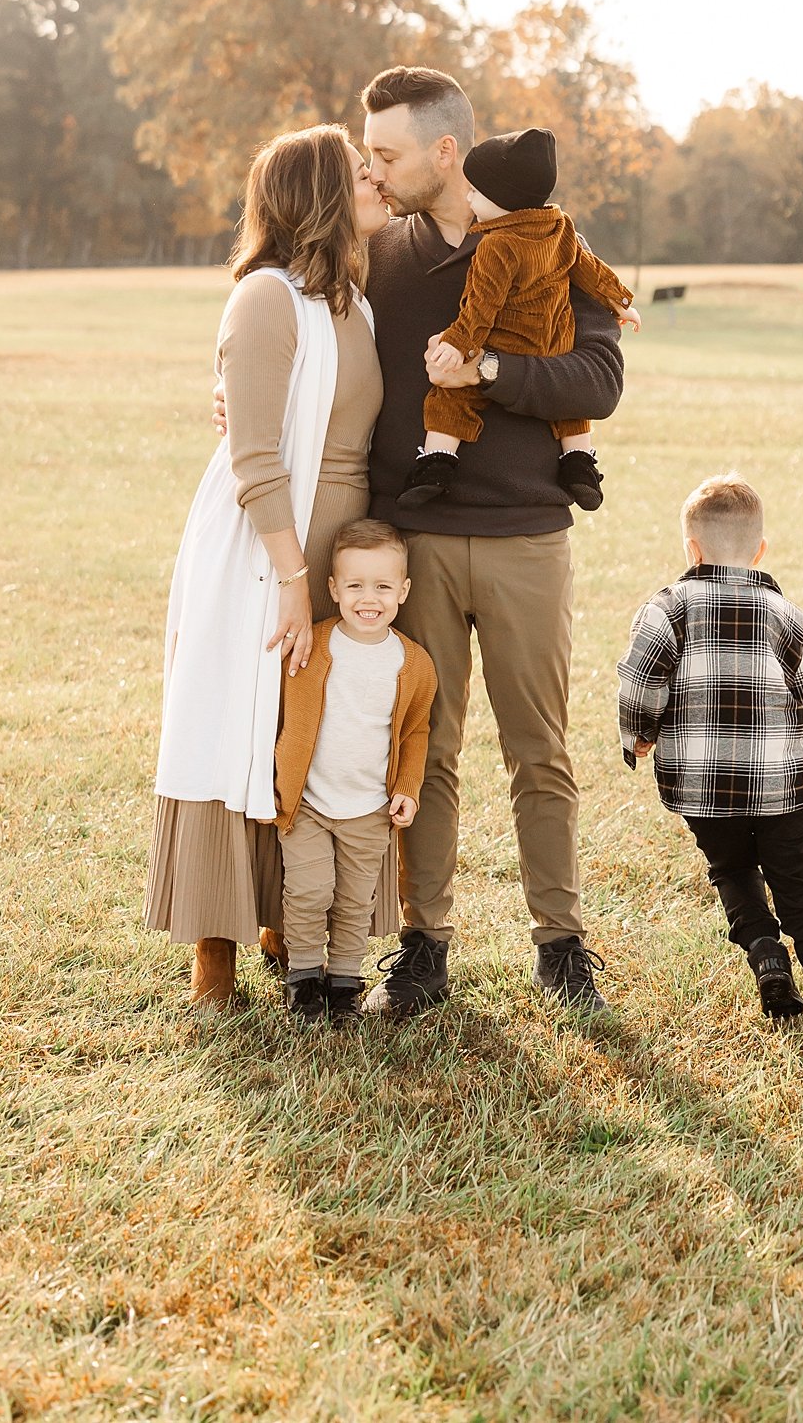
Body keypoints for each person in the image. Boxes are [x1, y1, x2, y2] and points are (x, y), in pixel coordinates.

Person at [360, 66, 624, 1015]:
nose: (376, 170)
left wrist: (493, 365)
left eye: (389, 152)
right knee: (421, 751)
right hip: (414, 544)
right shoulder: (378, 254)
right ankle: (423, 947)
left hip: (525, 538)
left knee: (539, 752)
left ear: (446, 150)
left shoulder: (548, 238)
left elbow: (598, 381)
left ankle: (561, 948)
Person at [145, 123, 391, 1009]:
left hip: (341, 546)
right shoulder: (264, 299)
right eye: (362, 172)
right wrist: (292, 576)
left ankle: (298, 925)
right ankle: (216, 949)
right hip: (263, 547)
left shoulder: (353, 303)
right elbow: (254, 456)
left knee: (314, 735)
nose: (378, 181)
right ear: (323, 194)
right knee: (235, 728)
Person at [616, 472, 803, 1036]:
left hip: (703, 787)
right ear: (759, 551)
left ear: (691, 548)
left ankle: (764, 952)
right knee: (801, 890)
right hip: (785, 788)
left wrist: (639, 737)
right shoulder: (788, 616)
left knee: (730, 867)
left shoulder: (666, 611)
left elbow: (639, 684)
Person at [396, 126, 641, 516]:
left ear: (503, 201)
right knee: (568, 410)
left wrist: (457, 345)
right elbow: (588, 268)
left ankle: (437, 462)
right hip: (554, 338)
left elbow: (480, 307)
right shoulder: (560, 228)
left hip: (507, 339)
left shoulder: (496, 246)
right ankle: (579, 462)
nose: (468, 196)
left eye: (476, 192)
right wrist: (619, 299)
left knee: (453, 394)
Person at [273, 519, 437, 1027]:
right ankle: (303, 979)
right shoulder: (311, 646)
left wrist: (407, 788)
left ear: (403, 591)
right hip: (309, 804)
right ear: (333, 589)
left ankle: (344, 983)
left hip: (369, 810)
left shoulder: (413, 664)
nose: (370, 598)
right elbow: (279, 714)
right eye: (356, 585)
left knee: (352, 901)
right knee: (308, 891)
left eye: (383, 586)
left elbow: (415, 733)